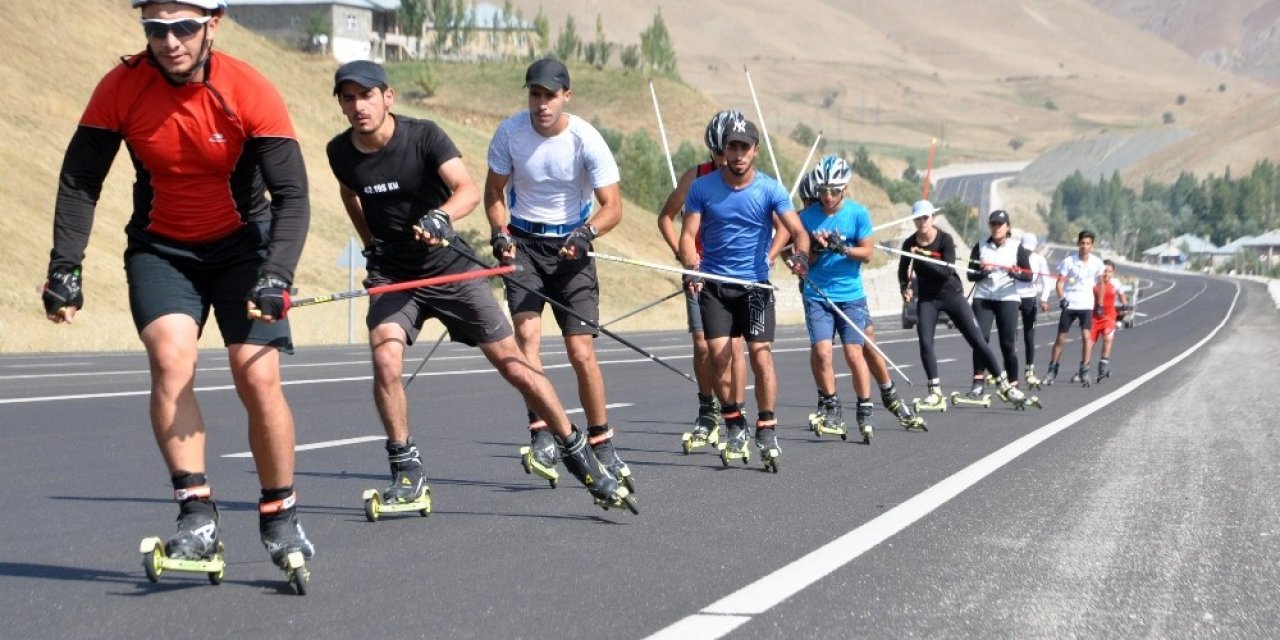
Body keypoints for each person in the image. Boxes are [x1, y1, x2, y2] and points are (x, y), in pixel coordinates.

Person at [42, 0, 314, 576]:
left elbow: (292, 196)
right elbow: (79, 180)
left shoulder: (249, 89)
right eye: (156, 29)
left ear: (212, 25)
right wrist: (66, 266)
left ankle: (279, 511)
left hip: (246, 249)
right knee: (171, 361)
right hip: (163, 249)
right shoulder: (122, 86)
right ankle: (197, 514)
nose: (169, 42)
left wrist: (277, 273)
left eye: (184, 27)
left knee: (256, 371)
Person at [325, 61, 630, 510]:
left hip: (449, 266)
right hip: (395, 274)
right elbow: (350, 193)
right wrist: (371, 245)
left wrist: (441, 215)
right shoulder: (340, 152)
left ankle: (574, 446)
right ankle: (406, 472)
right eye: (347, 98)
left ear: (387, 96)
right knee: (386, 359)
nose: (357, 106)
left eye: (366, 95)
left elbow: (468, 189)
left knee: (512, 362)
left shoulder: (424, 136)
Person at [484, 58, 634, 490]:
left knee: (580, 351)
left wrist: (586, 234)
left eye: (549, 96)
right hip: (525, 245)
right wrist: (499, 232)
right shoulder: (510, 133)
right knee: (526, 338)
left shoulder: (586, 139)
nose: (541, 104)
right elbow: (495, 194)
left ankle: (602, 442)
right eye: (535, 94)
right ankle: (542, 434)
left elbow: (613, 207)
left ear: (566, 96)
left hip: (572, 249)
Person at [679, 114, 811, 470]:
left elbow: (798, 232)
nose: (738, 154)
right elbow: (687, 236)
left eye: (744, 147)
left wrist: (799, 256)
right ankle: (734, 422)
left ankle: (766, 427)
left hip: (754, 288)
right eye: (732, 147)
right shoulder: (702, 188)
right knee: (717, 358)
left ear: (755, 151)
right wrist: (691, 267)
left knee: (760, 356)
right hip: (716, 288)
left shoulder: (770, 189)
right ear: (724, 149)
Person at [657, 110, 747, 451]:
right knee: (702, 344)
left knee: (732, 346)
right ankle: (708, 411)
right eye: (719, 153)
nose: (726, 160)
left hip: (736, 273)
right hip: (699, 273)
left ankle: (736, 416)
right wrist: (683, 256)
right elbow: (666, 217)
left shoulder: (748, 180)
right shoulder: (696, 177)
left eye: (730, 151)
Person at [897, 201, 1030, 409]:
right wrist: (905, 287)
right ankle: (935, 392)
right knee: (925, 341)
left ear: (933, 218)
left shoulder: (944, 239)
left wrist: (922, 255)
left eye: (925, 218)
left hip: (952, 295)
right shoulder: (909, 244)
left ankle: (1004, 385)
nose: (922, 222)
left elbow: (945, 271)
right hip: (928, 299)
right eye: (918, 218)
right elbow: (903, 269)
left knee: (977, 340)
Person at [796, 156, 878, 443]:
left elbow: (867, 254)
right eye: (822, 191)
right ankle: (831, 406)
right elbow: (803, 260)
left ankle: (865, 407)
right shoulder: (805, 218)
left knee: (854, 353)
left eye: (833, 191)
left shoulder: (858, 214)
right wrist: (817, 250)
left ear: (844, 188)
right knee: (821, 352)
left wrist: (841, 247)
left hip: (851, 296)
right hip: (817, 294)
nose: (827, 197)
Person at [963, 210, 1033, 399]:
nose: (996, 227)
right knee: (980, 339)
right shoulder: (980, 247)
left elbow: (1028, 276)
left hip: (1007, 298)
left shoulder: (1016, 248)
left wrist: (1015, 273)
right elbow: (970, 274)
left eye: (1000, 224)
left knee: (1007, 344)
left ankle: (1013, 383)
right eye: (993, 224)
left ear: (1007, 227)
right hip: (983, 297)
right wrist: (982, 273)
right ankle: (978, 381)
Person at [1043, 230, 1105, 386]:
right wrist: (1062, 298)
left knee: (1086, 338)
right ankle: (1052, 370)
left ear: (1092, 245)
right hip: (1070, 303)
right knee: (1061, 339)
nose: (1085, 246)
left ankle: (1084, 370)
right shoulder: (1069, 261)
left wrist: (1101, 303)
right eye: (1082, 243)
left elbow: (1101, 285)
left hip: (1086, 305)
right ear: (1078, 244)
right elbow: (1059, 282)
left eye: (1088, 244)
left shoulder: (1097, 263)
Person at [1016, 233, 1052, 387]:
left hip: (1029, 298)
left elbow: (1046, 280)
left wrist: (1044, 298)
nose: (1028, 252)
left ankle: (1029, 369)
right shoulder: (1015, 257)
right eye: (1026, 249)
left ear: (1035, 247)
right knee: (1010, 335)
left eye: (1030, 249)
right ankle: (1007, 369)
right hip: (1013, 298)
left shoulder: (1040, 260)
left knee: (1029, 335)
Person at [1085, 259, 1128, 383]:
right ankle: (1084, 370)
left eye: (1109, 272)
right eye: (1104, 271)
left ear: (1113, 273)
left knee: (1108, 338)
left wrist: (1124, 304)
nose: (1106, 274)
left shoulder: (1116, 283)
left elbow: (1122, 295)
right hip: (1093, 317)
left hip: (1109, 317)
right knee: (1089, 344)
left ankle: (1103, 367)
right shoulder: (1094, 282)